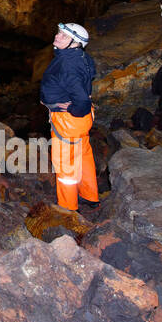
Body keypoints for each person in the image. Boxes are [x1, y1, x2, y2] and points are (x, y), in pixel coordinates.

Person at [40, 22, 98, 212]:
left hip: (69, 121)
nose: (57, 37)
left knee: (65, 165)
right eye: (58, 33)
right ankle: (90, 195)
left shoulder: (68, 65)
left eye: (64, 36)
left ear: (75, 42)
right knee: (83, 155)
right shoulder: (81, 57)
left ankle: (68, 208)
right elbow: (90, 76)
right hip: (83, 121)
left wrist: (74, 107)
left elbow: (81, 99)